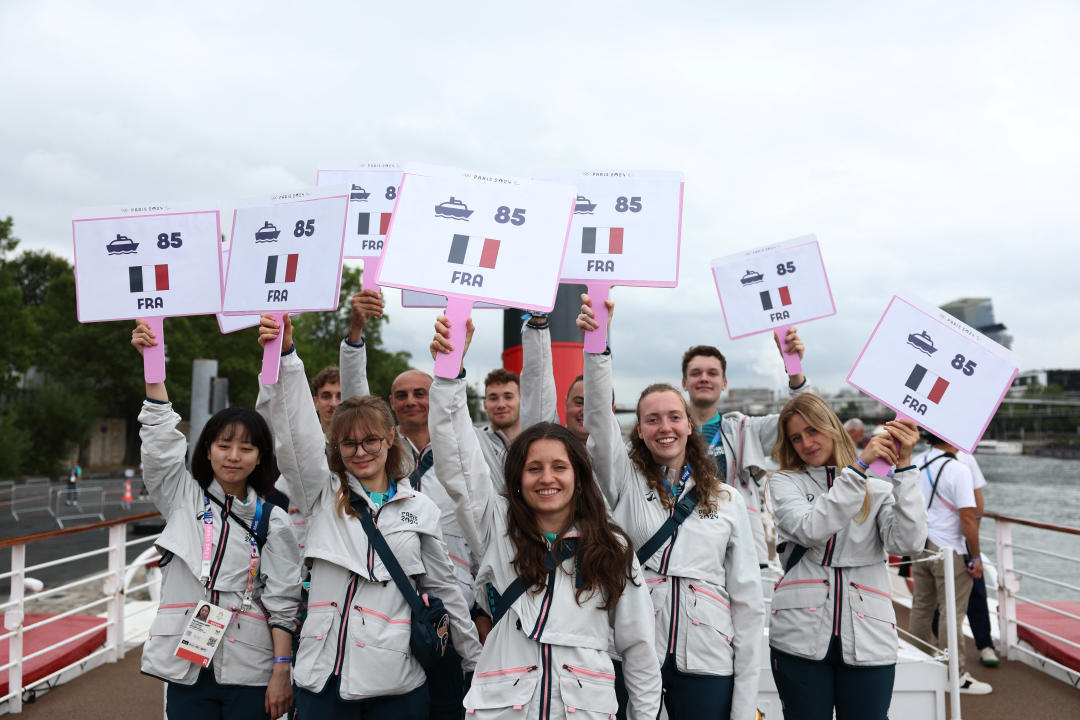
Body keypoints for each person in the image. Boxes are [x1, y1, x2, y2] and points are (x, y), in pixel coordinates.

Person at [428, 315, 662, 720]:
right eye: (534, 468)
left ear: (579, 475)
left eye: (559, 467)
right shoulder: (497, 527)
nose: (547, 478)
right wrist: (450, 375)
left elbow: (639, 649)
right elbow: (458, 462)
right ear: (517, 478)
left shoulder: (612, 545)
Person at [257, 313, 481, 718]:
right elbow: (295, 436)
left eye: (371, 440)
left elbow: (447, 593)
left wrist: (475, 665)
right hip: (323, 681)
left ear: (390, 437)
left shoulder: (420, 508)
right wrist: (287, 354)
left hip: (396, 685)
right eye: (349, 443)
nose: (360, 452)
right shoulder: (322, 495)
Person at [577, 295, 764, 720]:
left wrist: (745, 703)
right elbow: (599, 421)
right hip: (635, 649)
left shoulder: (727, 498)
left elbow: (749, 603)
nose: (665, 428)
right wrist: (599, 345)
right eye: (653, 419)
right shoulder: (622, 480)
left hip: (709, 658)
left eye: (674, 417)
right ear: (639, 430)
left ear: (688, 425)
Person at [131, 320, 301, 720]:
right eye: (224, 445)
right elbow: (159, 447)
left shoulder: (273, 520)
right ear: (206, 450)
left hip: (251, 668)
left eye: (246, 448)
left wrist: (281, 671)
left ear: (261, 457)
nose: (233, 456)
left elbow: (283, 603)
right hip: (187, 665)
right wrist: (152, 368)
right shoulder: (181, 497)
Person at [767, 394, 927, 719]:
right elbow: (811, 528)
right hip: (798, 635)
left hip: (870, 635)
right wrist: (858, 471)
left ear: (832, 427)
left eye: (813, 431)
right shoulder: (785, 482)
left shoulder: (879, 485)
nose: (806, 443)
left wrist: (906, 468)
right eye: (796, 438)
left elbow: (908, 543)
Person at [680, 337, 808, 568]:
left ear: (724, 382)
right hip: (686, 548)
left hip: (740, 549)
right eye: (696, 373)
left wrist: (794, 369)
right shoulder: (669, 434)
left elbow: (803, 416)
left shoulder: (746, 430)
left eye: (712, 373)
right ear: (684, 382)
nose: (704, 378)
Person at [909, 434, 993, 695]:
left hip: (922, 544)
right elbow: (968, 518)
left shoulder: (916, 461)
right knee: (951, 612)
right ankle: (953, 675)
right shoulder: (958, 468)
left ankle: (919, 666)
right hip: (949, 548)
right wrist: (975, 557)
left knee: (922, 606)